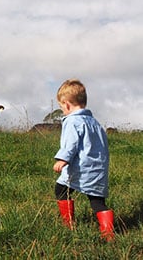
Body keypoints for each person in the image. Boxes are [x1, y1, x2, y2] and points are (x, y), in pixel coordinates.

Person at [53, 79, 114, 242]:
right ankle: (109, 234)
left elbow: (70, 144)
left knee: (60, 190)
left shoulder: (72, 121)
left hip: (79, 169)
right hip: (97, 170)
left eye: (61, 107)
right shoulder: (95, 123)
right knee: (97, 202)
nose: (62, 111)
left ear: (66, 104)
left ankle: (68, 225)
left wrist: (62, 159)